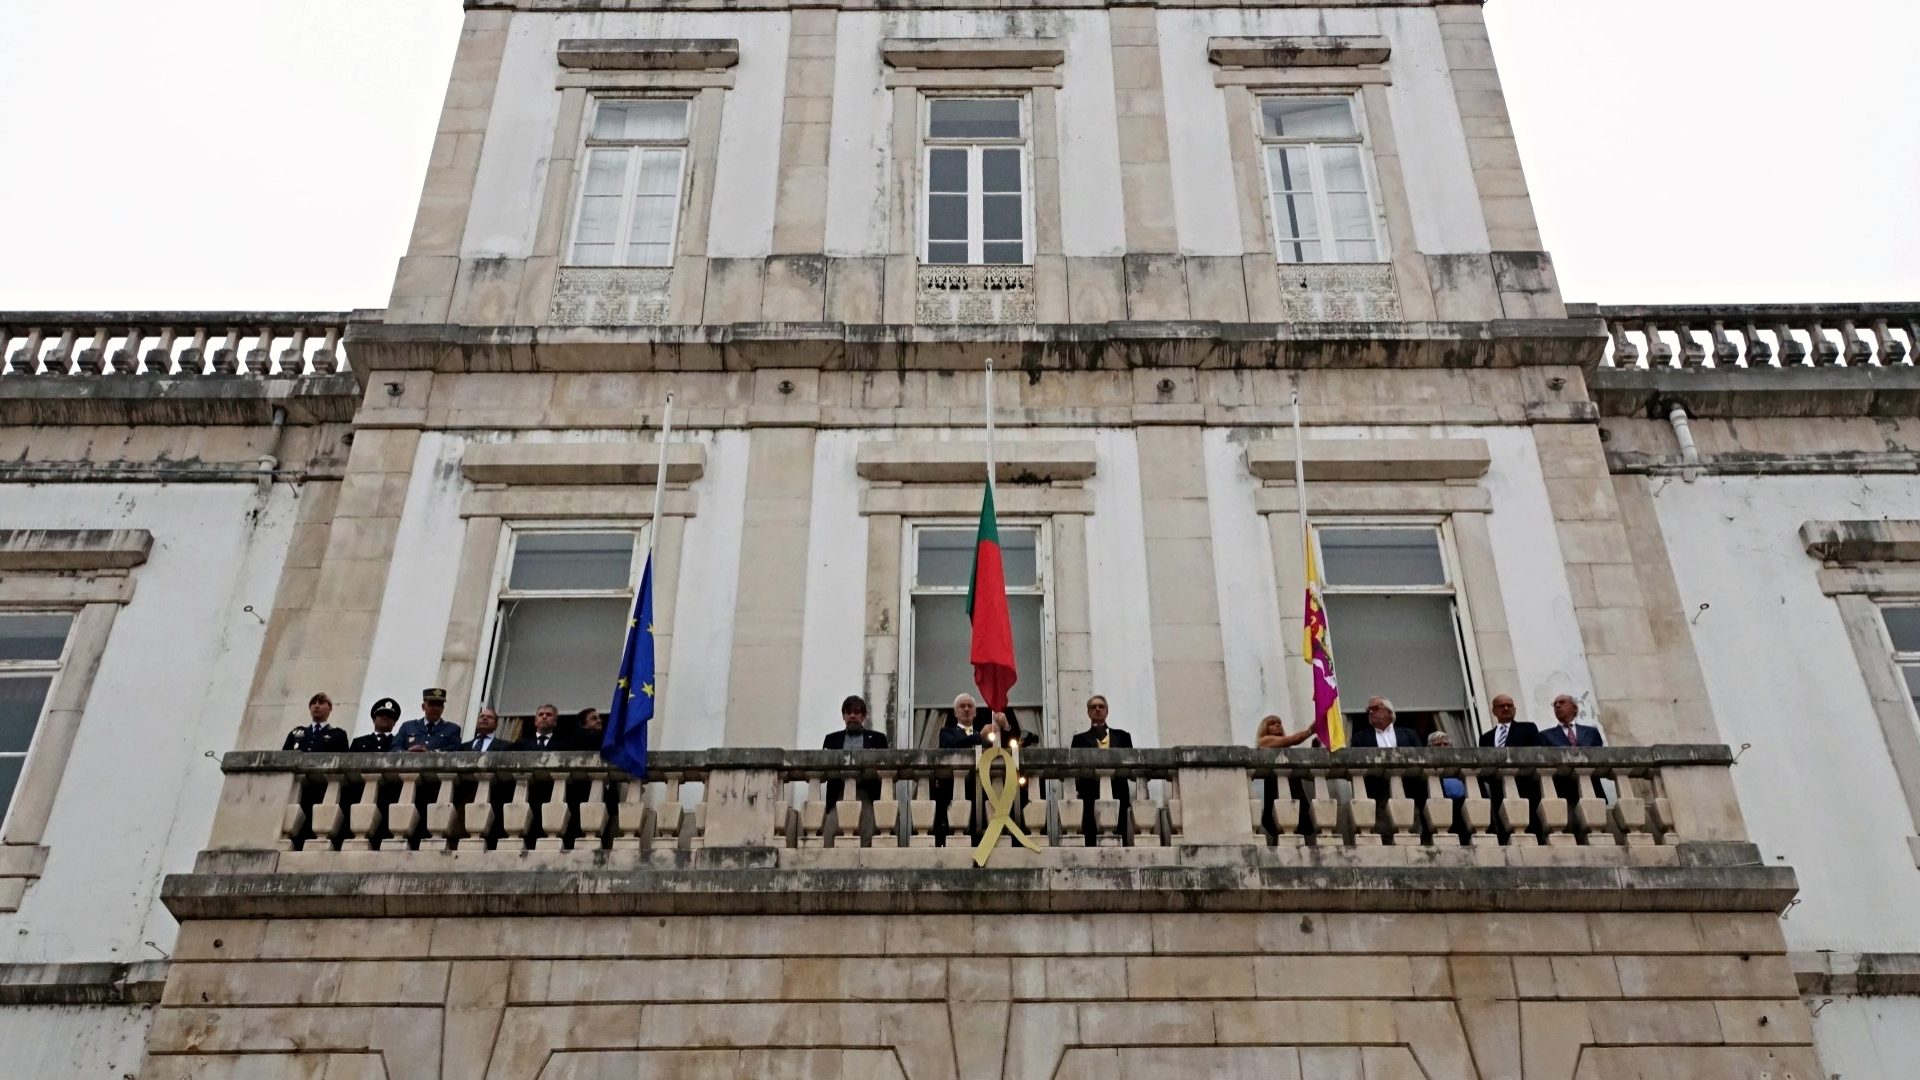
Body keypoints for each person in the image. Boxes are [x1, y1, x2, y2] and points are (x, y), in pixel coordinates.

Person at [1070, 695, 1134, 843]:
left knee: (1120, 836)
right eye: (1093, 707)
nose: (1097, 709)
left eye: (1101, 706)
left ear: (1107, 711)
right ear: (1088, 713)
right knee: (1091, 838)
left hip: (1118, 793)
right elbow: (1075, 769)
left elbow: (1130, 763)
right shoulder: (1079, 739)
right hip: (1090, 795)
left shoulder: (1123, 736)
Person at [1347, 697, 1429, 806]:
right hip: (1377, 797)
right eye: (1369, 710)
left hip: (1410, 793)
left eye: (1376, 708)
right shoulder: (1360, 738)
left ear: (1390, 712)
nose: (1371, 712)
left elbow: (1422, 760)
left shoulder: (1409, 734)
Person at [822, 694, 889, 811]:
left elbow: (886, 768)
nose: (852, 715)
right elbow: (824, 768)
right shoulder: (831, 739)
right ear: (844, 716)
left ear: (863, 716)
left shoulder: (878, 738)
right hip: (838, 796)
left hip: (868, 796)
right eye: (848, 712)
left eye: (857, 712)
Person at [932, 694, 983, 845]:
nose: (966, 709)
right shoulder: (946, 732)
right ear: (955, 713)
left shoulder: (981, 735)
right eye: (962, 706)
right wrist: (979, 737)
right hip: (952, 791)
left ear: (975, 712)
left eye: (970, 706)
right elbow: (950, 745)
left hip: (978, 791)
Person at [1255, 714, 1313, 836]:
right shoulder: (1264, 741)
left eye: (1279, 723)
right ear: (1265, 729)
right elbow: (1293, 739)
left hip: (1295, 792)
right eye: (1272, 723)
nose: (1277, 725)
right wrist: (1310, 730)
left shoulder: (1287, 749)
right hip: (1277, 791)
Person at [1478, 693, 1541, 804]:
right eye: (1501, 706)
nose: (1506, 708)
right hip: (1499, 791)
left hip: (1526, 789)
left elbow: (1537, 755)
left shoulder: (1528, 728)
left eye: (1509, 705)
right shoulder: (1485, 738)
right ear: (1494, 711)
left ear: (1514, 709)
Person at [1540, 693, 1606, 800]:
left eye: (1562, 702)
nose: (1557, 706)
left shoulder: (1591, 732)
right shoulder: (1545, 735)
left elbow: (1599, 757)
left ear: (1574, 708)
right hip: (1564, 794)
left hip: (1593, 790)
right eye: (1555, 704)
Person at [396, 688, 462, 753]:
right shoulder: (408, 727)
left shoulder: (452, 729)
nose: (436, 708)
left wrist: (430, 752)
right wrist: (408, 754)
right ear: (423, 706)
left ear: (443, 708)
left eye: (439, 705)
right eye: (432, 704)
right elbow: (394, 748)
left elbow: (454, 750)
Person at [283, 692, 348, 752]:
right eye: (313, 703)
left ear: (330, 708)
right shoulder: (296, 733)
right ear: (310, 708)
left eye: (321, 703)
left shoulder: (338, 735)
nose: (316, 706)